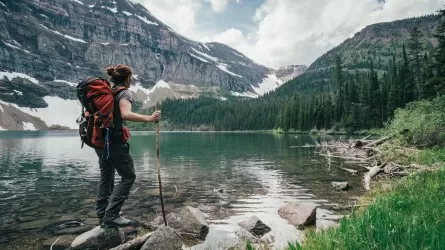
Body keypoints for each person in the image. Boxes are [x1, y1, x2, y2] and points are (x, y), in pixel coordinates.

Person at [95, 64, 161, 227]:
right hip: (114, 142)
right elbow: (125, 114)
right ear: (127, 78)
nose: (132, 80)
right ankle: (111, 215)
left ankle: (102, 213)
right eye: (131, 77)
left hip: (100, 141)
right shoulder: (124, 92)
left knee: (107, 175)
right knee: (129, 176)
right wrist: (149, 118)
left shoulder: (108, 92)